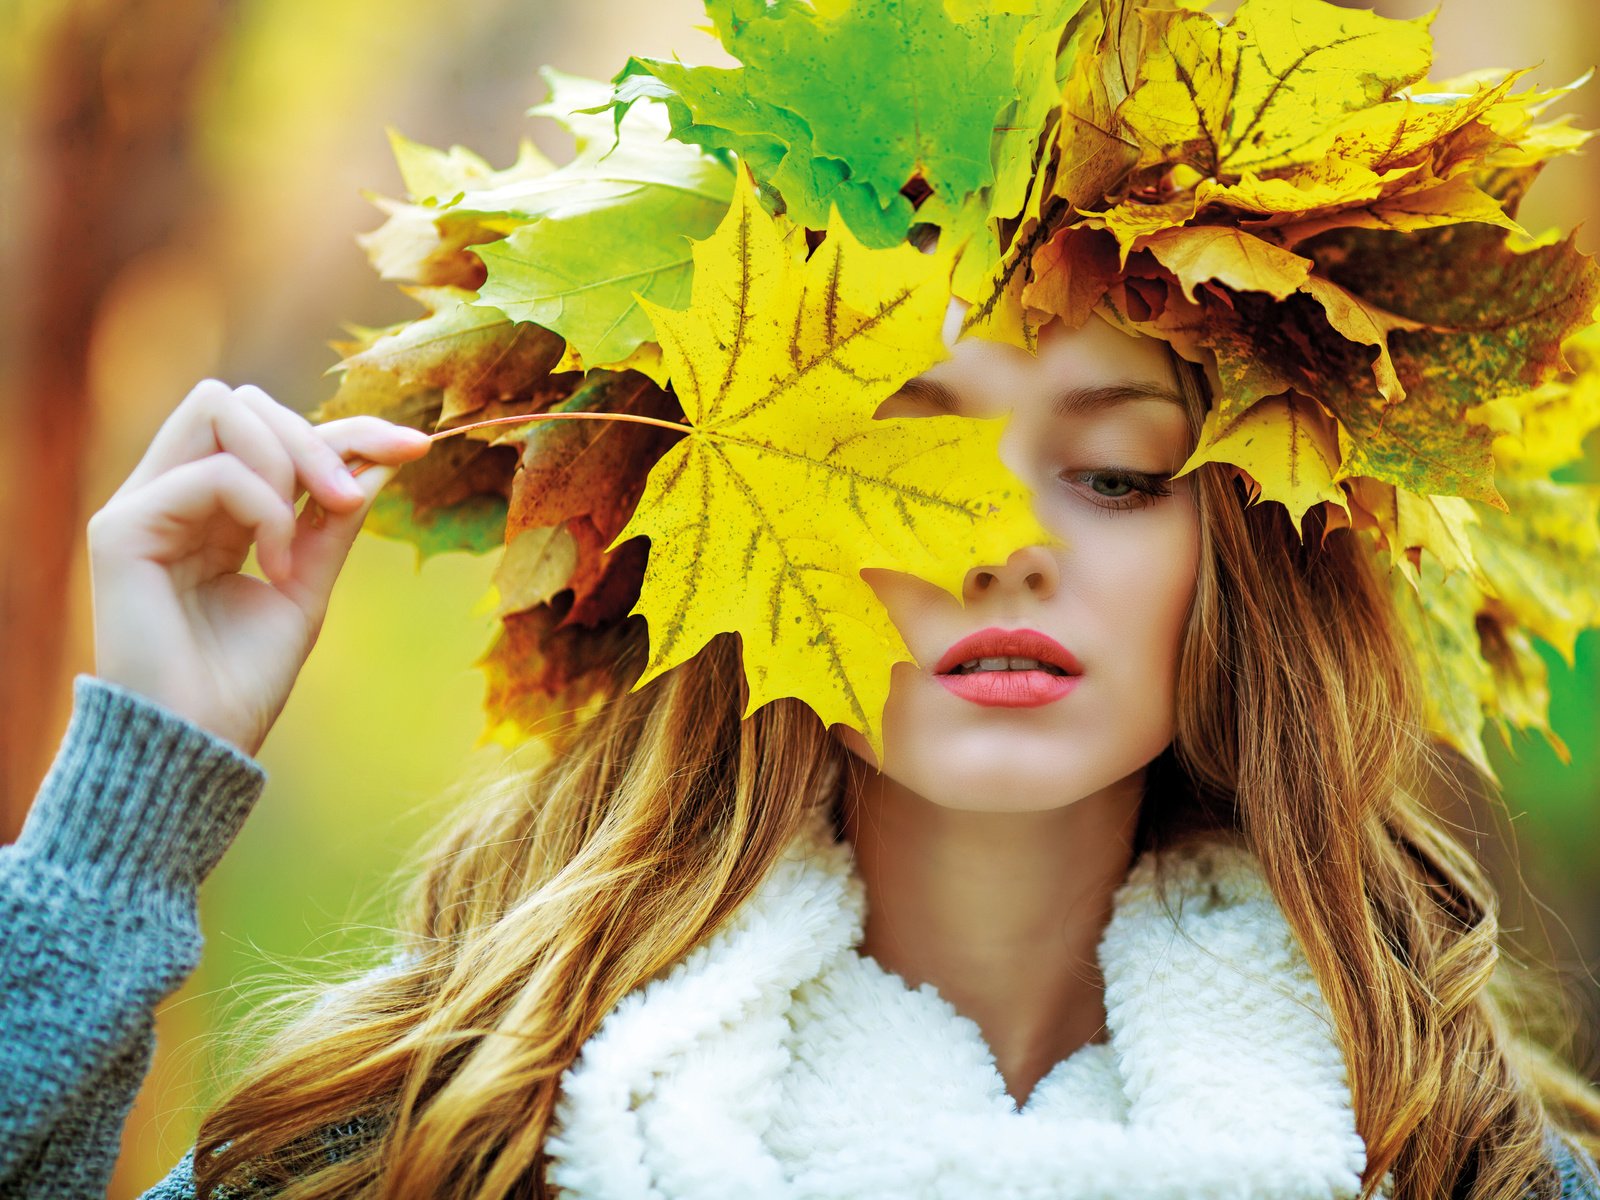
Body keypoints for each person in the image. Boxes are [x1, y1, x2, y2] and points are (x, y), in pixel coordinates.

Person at [7, 0, 1600, 1196]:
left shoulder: (1464, 1151)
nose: (1003, 544)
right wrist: (136, 795)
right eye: (894, 458)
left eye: (1115, 476)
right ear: (731, 502)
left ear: (1244, 559)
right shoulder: (448, 1138)